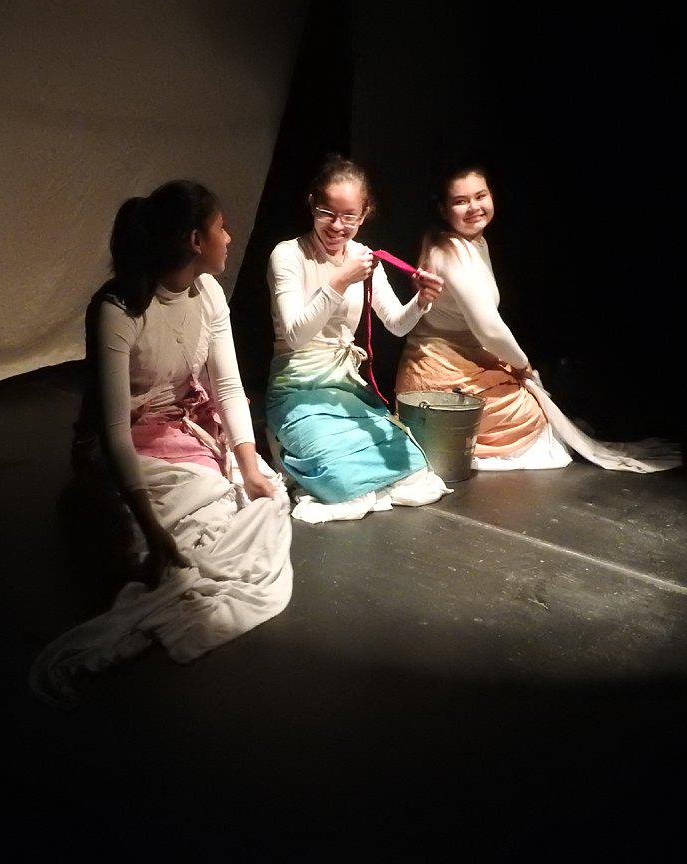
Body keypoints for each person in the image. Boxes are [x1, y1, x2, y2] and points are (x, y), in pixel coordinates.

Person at [31, 180, 292, 708]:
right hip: (132, 445)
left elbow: (227, 386)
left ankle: (169, 525)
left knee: (264, 497)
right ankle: (134, 527)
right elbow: (113, 432)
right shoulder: (118, 309)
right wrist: (154, 532)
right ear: (195, 239)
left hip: (185, 433)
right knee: (177, 536)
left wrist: (248, 466)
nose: (229, 237)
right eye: (221, 227)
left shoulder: (209, 292)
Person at [395, 166, 681, 473]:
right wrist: (521, 363)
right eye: (461, 201)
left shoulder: (472, 242)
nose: (474, 207)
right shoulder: (449, 253)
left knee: (541, 408)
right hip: (441, 373)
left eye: (480, 196)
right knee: (535, 420)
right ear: (443, 208)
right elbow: (488, 329)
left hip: (466, 360)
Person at [264, 156, 451, 522]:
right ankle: (286, 441)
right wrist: (339, 281)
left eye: (349, 216)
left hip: (343, 389)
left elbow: (396, 324)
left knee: (413, 466)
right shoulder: (288, 255)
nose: (338, 226)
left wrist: (421, 301)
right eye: (328, 213)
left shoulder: (363, 258)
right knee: (340, 481)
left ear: (364, 215)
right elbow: (296, 335)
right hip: (297, 388)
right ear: (312, 205)